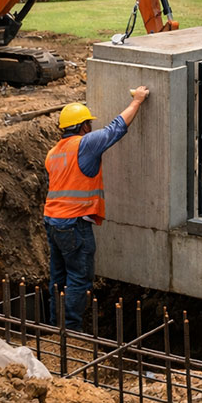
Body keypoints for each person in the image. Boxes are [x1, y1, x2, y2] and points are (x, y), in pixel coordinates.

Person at [44, 87, 149, 330]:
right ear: (83, 127)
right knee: (79, 279)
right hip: (74, 224)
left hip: (52, 222)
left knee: (59, 279)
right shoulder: (85, 144)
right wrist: (137, 100)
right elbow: (116, 128)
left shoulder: (53, 154)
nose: (90, 128)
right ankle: (70, 331)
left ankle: (53, 326)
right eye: (88, 124)